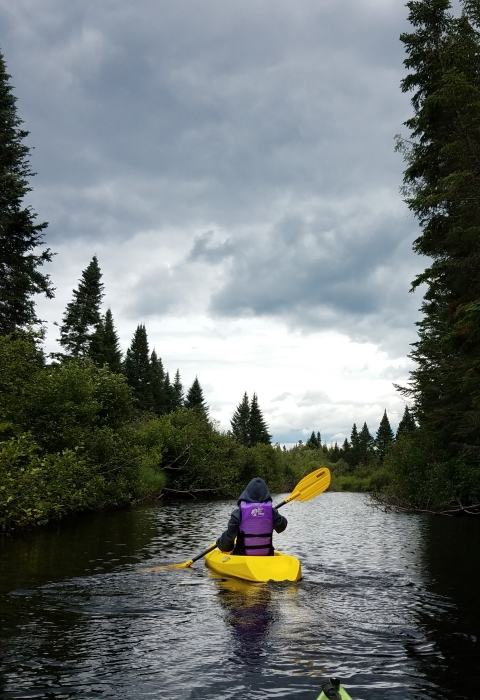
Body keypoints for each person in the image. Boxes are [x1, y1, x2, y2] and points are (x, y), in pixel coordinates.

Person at [216, 477, 287, 556]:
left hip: (242, 556)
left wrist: (219, 543)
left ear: (246, 494)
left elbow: (226, 546)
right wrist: (272, 513)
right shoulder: (272, 512)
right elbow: (282, 526)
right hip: (267, 556)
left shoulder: (238, 514)